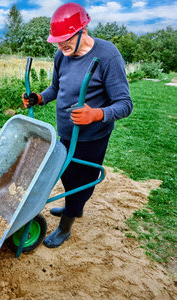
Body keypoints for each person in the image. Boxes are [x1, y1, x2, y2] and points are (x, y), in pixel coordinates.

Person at [23, 2, 133, 248]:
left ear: (83, 29)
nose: (60, 46)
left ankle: (66, 227)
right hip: (65, 131)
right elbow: (57, 88)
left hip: (92, 136)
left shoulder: (107, 55)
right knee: (67, 175)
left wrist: (96, 114)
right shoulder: (61, 55)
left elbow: (125, 104)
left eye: (65, 39)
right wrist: (41, 98)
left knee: (82, 178)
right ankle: (75, 206)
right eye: (57, 41)